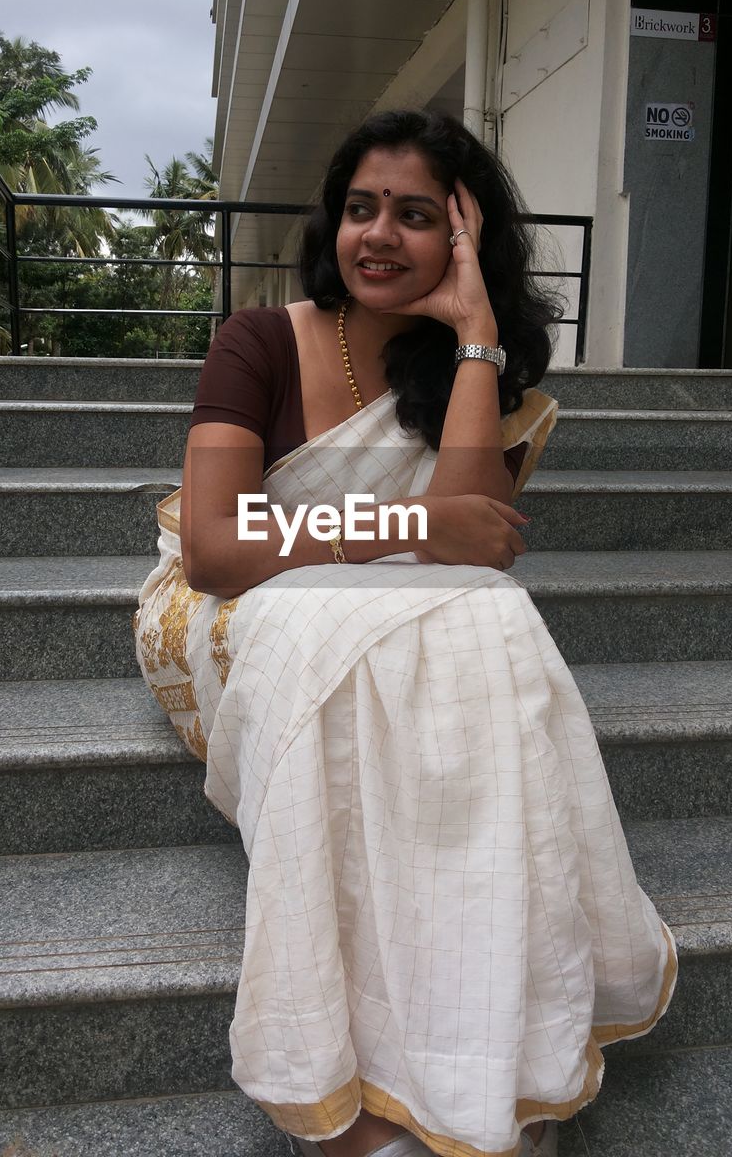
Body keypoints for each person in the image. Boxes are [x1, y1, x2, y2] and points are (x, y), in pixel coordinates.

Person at [134, 110, 677, 1157]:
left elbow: (471, 557)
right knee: (315, 629)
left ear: (466, 241)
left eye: (417, 215)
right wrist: (415, 519)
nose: (378, 234)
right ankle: (340, 1089)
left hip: (394, 608)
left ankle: (480, 1051)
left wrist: (476, 338)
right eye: (360, 208)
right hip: (223, 610)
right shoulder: (259, 339)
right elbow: (213, 545)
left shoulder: (474, 373)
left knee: (496, 613)